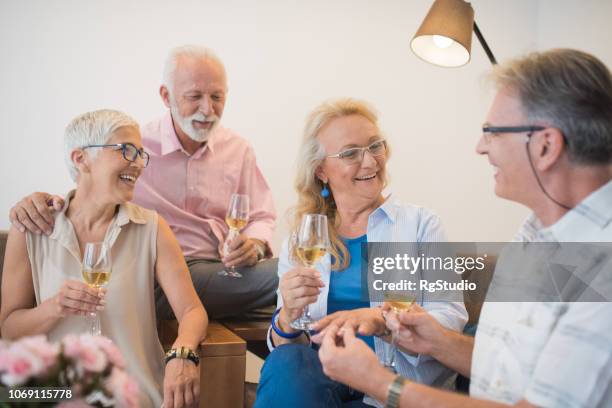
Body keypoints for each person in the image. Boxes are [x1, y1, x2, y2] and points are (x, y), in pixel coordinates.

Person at [317, 49, 612, 407]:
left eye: (493, 132)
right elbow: (510, 367)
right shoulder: (533, 233)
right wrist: (438, 342)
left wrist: (380, 384)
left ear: (546, 146)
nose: (480, 148)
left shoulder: (603, 266)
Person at [8, 45, 278, 319]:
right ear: (166, 96)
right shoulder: (136, 149)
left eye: (217, 97)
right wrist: (38, 201)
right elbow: (91, 189)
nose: (208, 109)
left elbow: (261, 215)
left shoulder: (238, 149)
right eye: (194, 96)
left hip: (224, 271)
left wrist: (253, 245)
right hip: (159, 276)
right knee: (295, 275)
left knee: (295, 302)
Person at [254, 98, 468, 407]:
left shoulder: (420, 225)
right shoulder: (303, 241)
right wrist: (287, 316)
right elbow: (291, 345)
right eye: (350, 153)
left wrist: (384, 320)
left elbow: (451, 317)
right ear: (321, 171)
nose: (369, 162)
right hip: (320, 385)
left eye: (375, 146)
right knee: (287, 363)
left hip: (390, 390)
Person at [0, 109, 208, 407]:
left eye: (140, 153)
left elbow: (191, 310)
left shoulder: (152, 227)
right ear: (80, 159)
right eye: (125, 149)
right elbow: (9, 330)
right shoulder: (31, 230)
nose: (137, 163)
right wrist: (54, 308)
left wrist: (183, 353)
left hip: (135, 396)